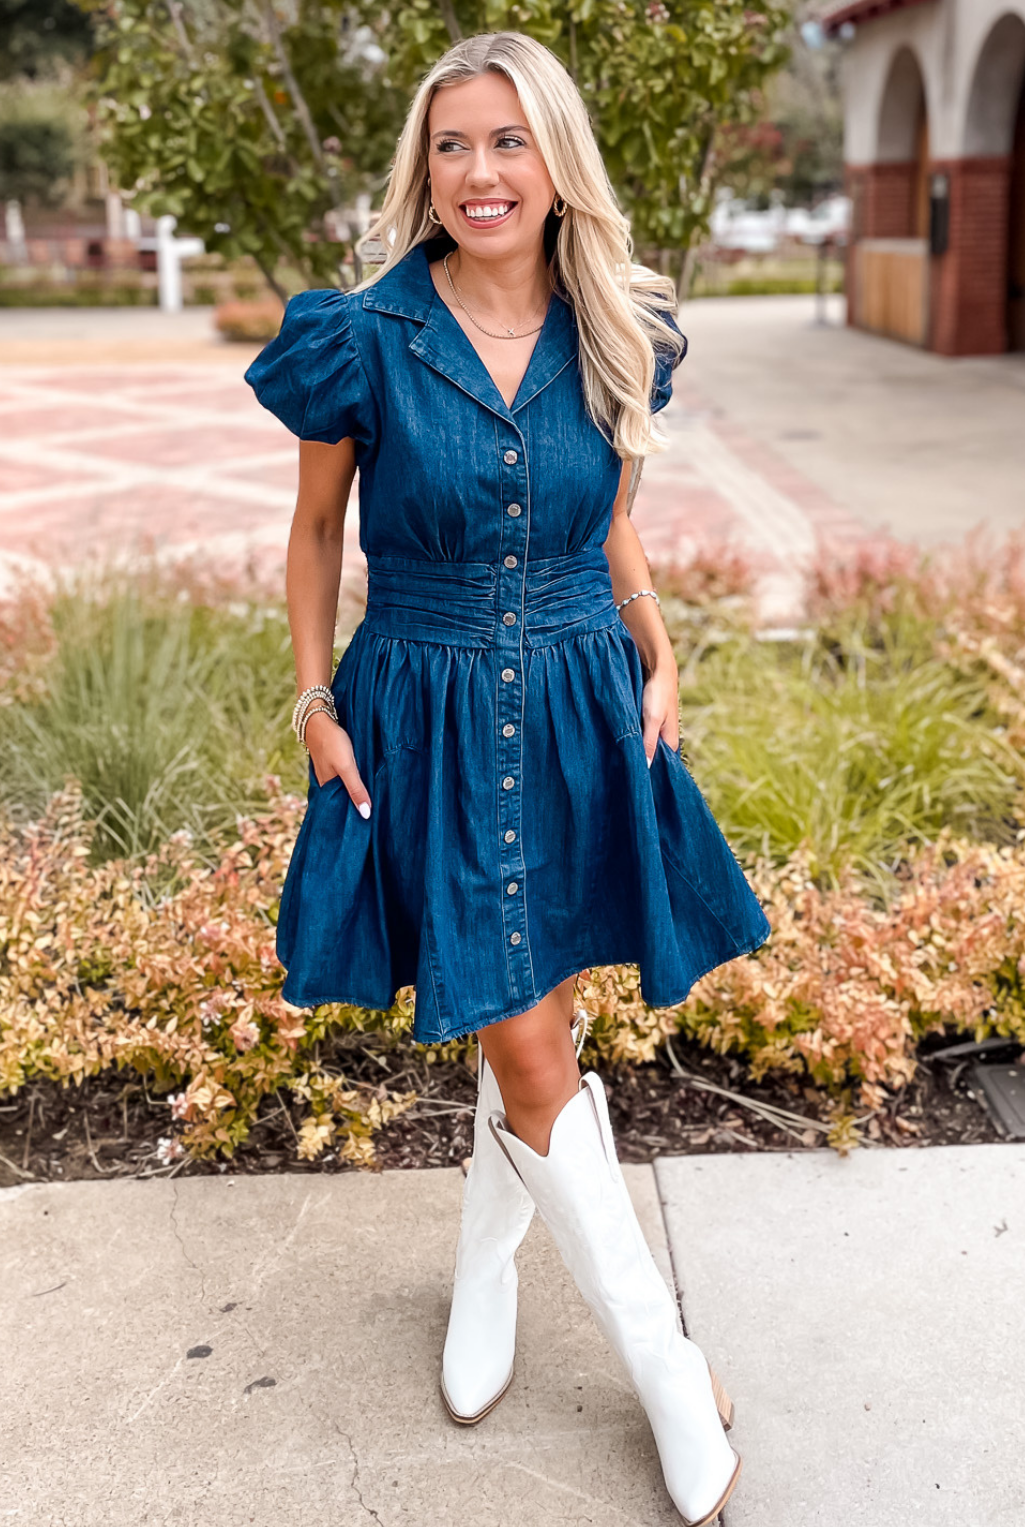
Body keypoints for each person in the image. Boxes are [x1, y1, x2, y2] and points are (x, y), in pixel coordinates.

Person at [245, 30, 770, 1525]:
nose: (479, 172)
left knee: (529, 1006)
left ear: (556, 164)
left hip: (586, 690)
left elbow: (610, 524)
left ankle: (485, 1268)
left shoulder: (620, 328)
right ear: (426, 166)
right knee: (523, 1025)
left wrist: (660, 647)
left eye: (507, 143)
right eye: (453, 145)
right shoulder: (360, 336)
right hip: (417, 698)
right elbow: (312, 535)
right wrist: (309, 695)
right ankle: (670, 1364)